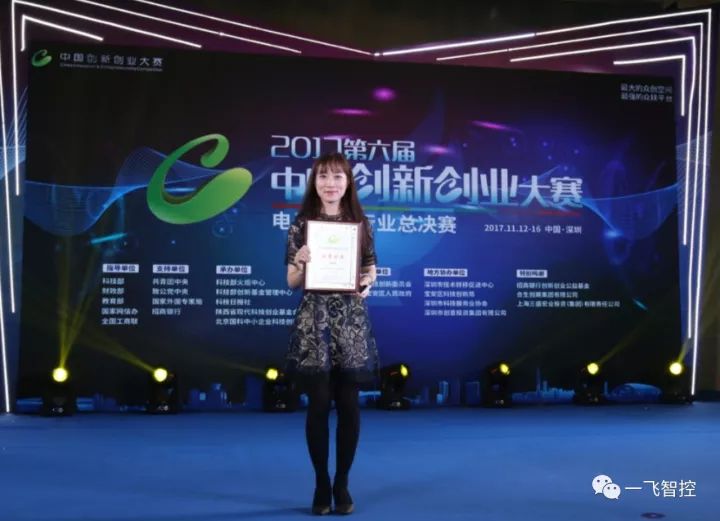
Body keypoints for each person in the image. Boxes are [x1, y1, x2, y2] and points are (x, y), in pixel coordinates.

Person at [285, 152, 379, 515]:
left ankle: (342, 483)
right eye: (323, 176)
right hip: (315, 324)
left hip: (350, 324)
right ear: (314, 182)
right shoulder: (301, 226)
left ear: (348, 182)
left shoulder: (361, 225)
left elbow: (370, 268)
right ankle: (321, 483)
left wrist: (367, 282)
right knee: (319, 405)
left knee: (350, 406)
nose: (330, 183)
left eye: (338, 176)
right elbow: (292, 281)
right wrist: (300, 262)